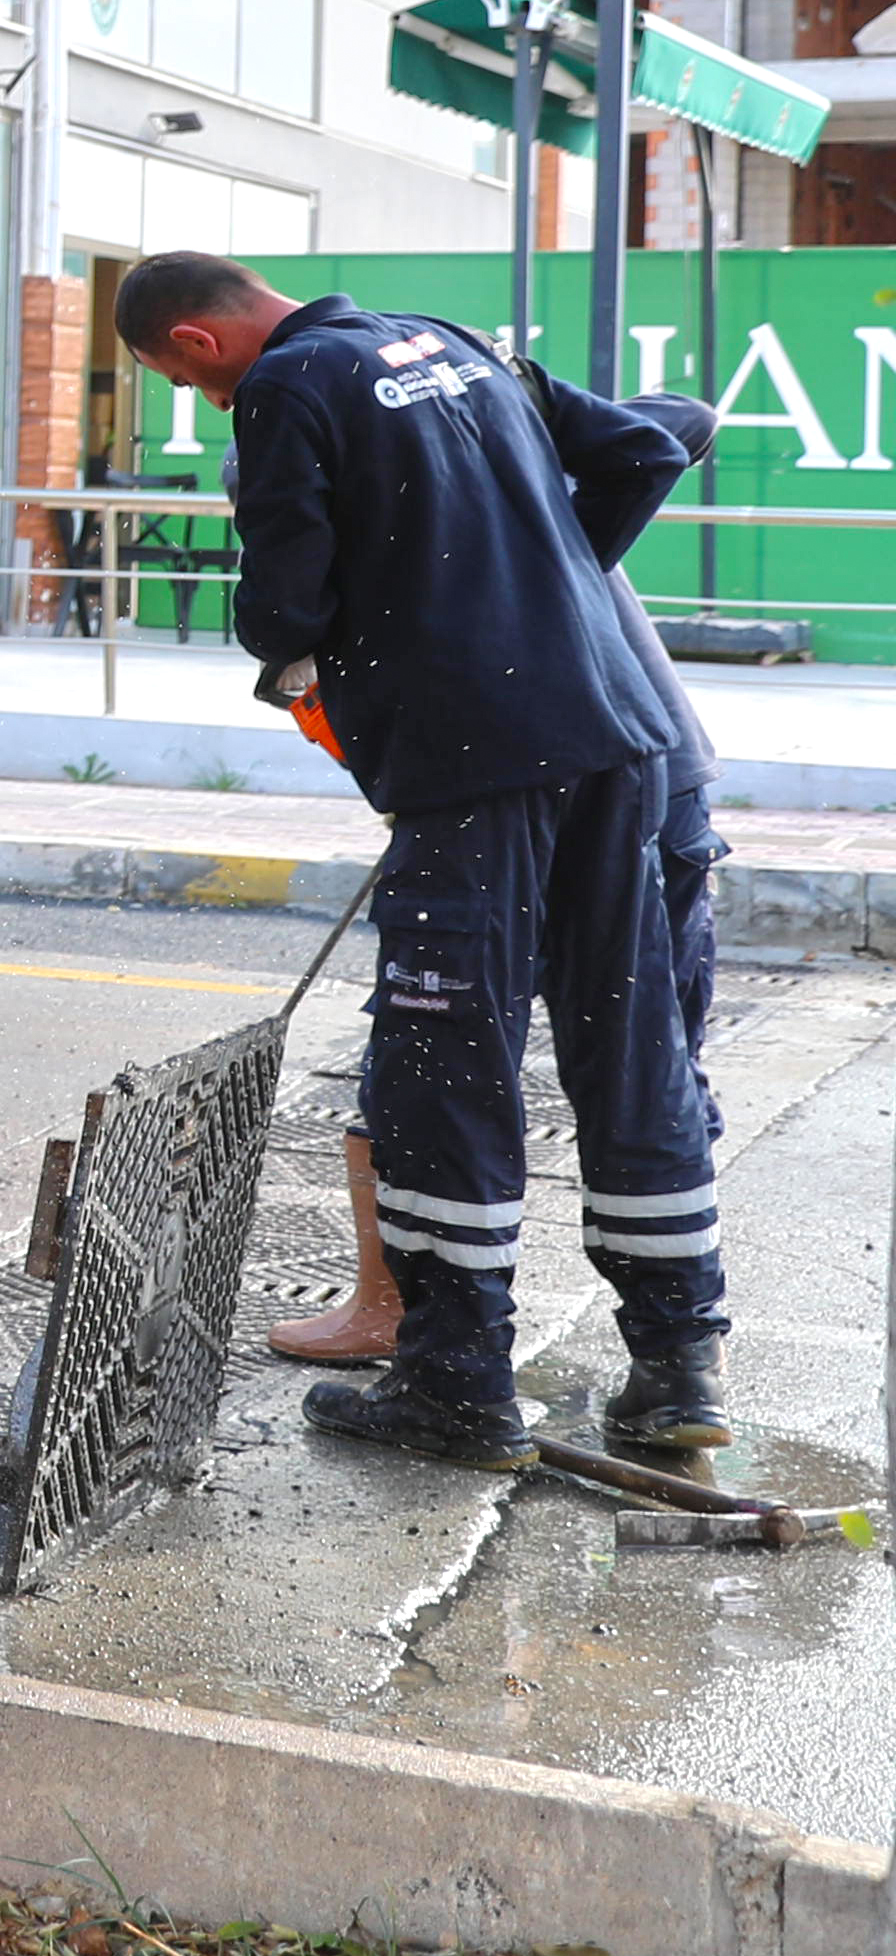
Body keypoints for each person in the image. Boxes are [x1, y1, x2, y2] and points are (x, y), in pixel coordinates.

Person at [121, 254, 729, 1467]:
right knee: (632, 1047)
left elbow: (285, 602)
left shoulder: (287, 388)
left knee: (442, 1063)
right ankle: (678, 1372)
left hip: (474, 765)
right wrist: (543, 580)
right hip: (621, 748)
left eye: (180, 382)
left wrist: (301, 658)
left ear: (197, 342)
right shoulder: (454, 340)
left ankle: (455, 1386)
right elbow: (651, 441)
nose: (200, 402)